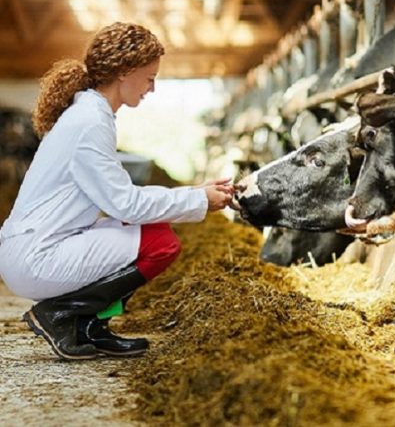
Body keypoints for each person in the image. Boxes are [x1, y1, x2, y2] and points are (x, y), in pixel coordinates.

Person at [0, 22, 235, 360]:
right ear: (125, 71)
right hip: (37, 257)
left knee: (154, 232)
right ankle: (63, 315)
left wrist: (196, 190)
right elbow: (125, 204)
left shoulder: (89, 114)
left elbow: (119, 196)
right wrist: (198, 199)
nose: (152, 88)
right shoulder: (90, 122)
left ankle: (89, 327)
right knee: (161, 243)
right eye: (150, 78)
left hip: (36, 246)